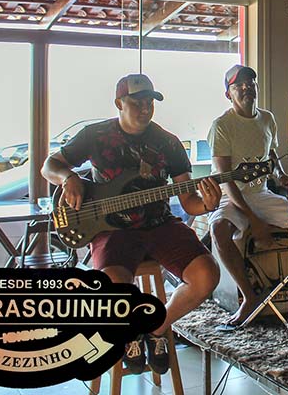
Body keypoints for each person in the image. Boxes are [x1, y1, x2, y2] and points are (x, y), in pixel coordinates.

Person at [41, 73, 221, 375]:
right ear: (118, 103)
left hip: (161, 224)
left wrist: (207, 205)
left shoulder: (168, 143)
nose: (144, 108)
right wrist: (69, 177)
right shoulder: (95, 135)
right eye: (136, 102)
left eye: (149, 101)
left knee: (207, 275)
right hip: (111, 229)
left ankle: (156, 327)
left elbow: (189, 201)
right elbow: (50, 165)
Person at [208, 64, 288, 328]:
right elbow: (227, 180)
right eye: (238, 85)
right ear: (228, 94)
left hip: (262, 192)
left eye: (250, 83)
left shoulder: (268, 119)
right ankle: (249, 296)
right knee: (219, 228)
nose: (245, 88)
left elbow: (271, 158)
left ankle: (282, 285)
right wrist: (253, 221)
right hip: (231, 195)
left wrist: (280, 175)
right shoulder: (221, 126)